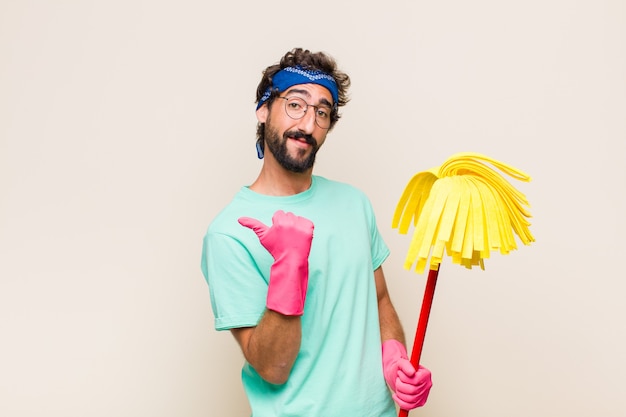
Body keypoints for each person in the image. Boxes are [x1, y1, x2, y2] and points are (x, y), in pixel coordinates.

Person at [201, 47, 432, 417]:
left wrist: (394, 361)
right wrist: (289, 270)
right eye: (295, 104)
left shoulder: (354, 203)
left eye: (322, 112)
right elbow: (273, 369)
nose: (307, 125)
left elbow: (381, 300)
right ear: (263, 110)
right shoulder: (228, 234)